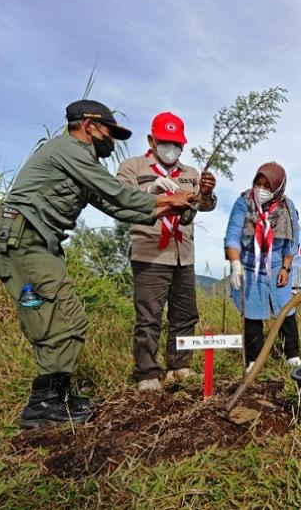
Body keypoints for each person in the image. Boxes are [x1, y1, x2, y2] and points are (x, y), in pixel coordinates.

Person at [0, 100, 193, 428]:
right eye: (110, 131)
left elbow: (118, 209)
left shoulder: (80, 161)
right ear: (89, 125)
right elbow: (117, 193)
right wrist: (165, 198)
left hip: (36, 245)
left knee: (70, 320)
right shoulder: (71, 150)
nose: (113, 140)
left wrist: (168, 206)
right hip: (21, 243)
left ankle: (58, 396)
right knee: (54, 321)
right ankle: (44, 406)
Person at [116, 112, 217, 391]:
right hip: (149, 253)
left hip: (183, 253)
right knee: (149, 315)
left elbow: (204, 205)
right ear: (151, 139)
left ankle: (179, 365)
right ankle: (147, 373)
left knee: (185, 314)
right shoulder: (132, 167)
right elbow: (119, 199)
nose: (171, 149)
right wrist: (151, 189)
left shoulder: (190, 174)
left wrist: (206, 192)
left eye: (177, 143)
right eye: (165, 142)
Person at [225, 162, 301, 371]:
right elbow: (232, 237)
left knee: (286, 309)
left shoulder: (287, 207)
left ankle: (292, 355)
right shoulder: (244, 203)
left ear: (278, 187)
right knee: (252, 312)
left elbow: (292, 242)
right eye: (257, 183)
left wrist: (285, 268)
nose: (261, 189)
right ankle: (254, 360)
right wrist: (235, 263)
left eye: (267, 186)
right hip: (249, 266)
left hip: (277, 265)